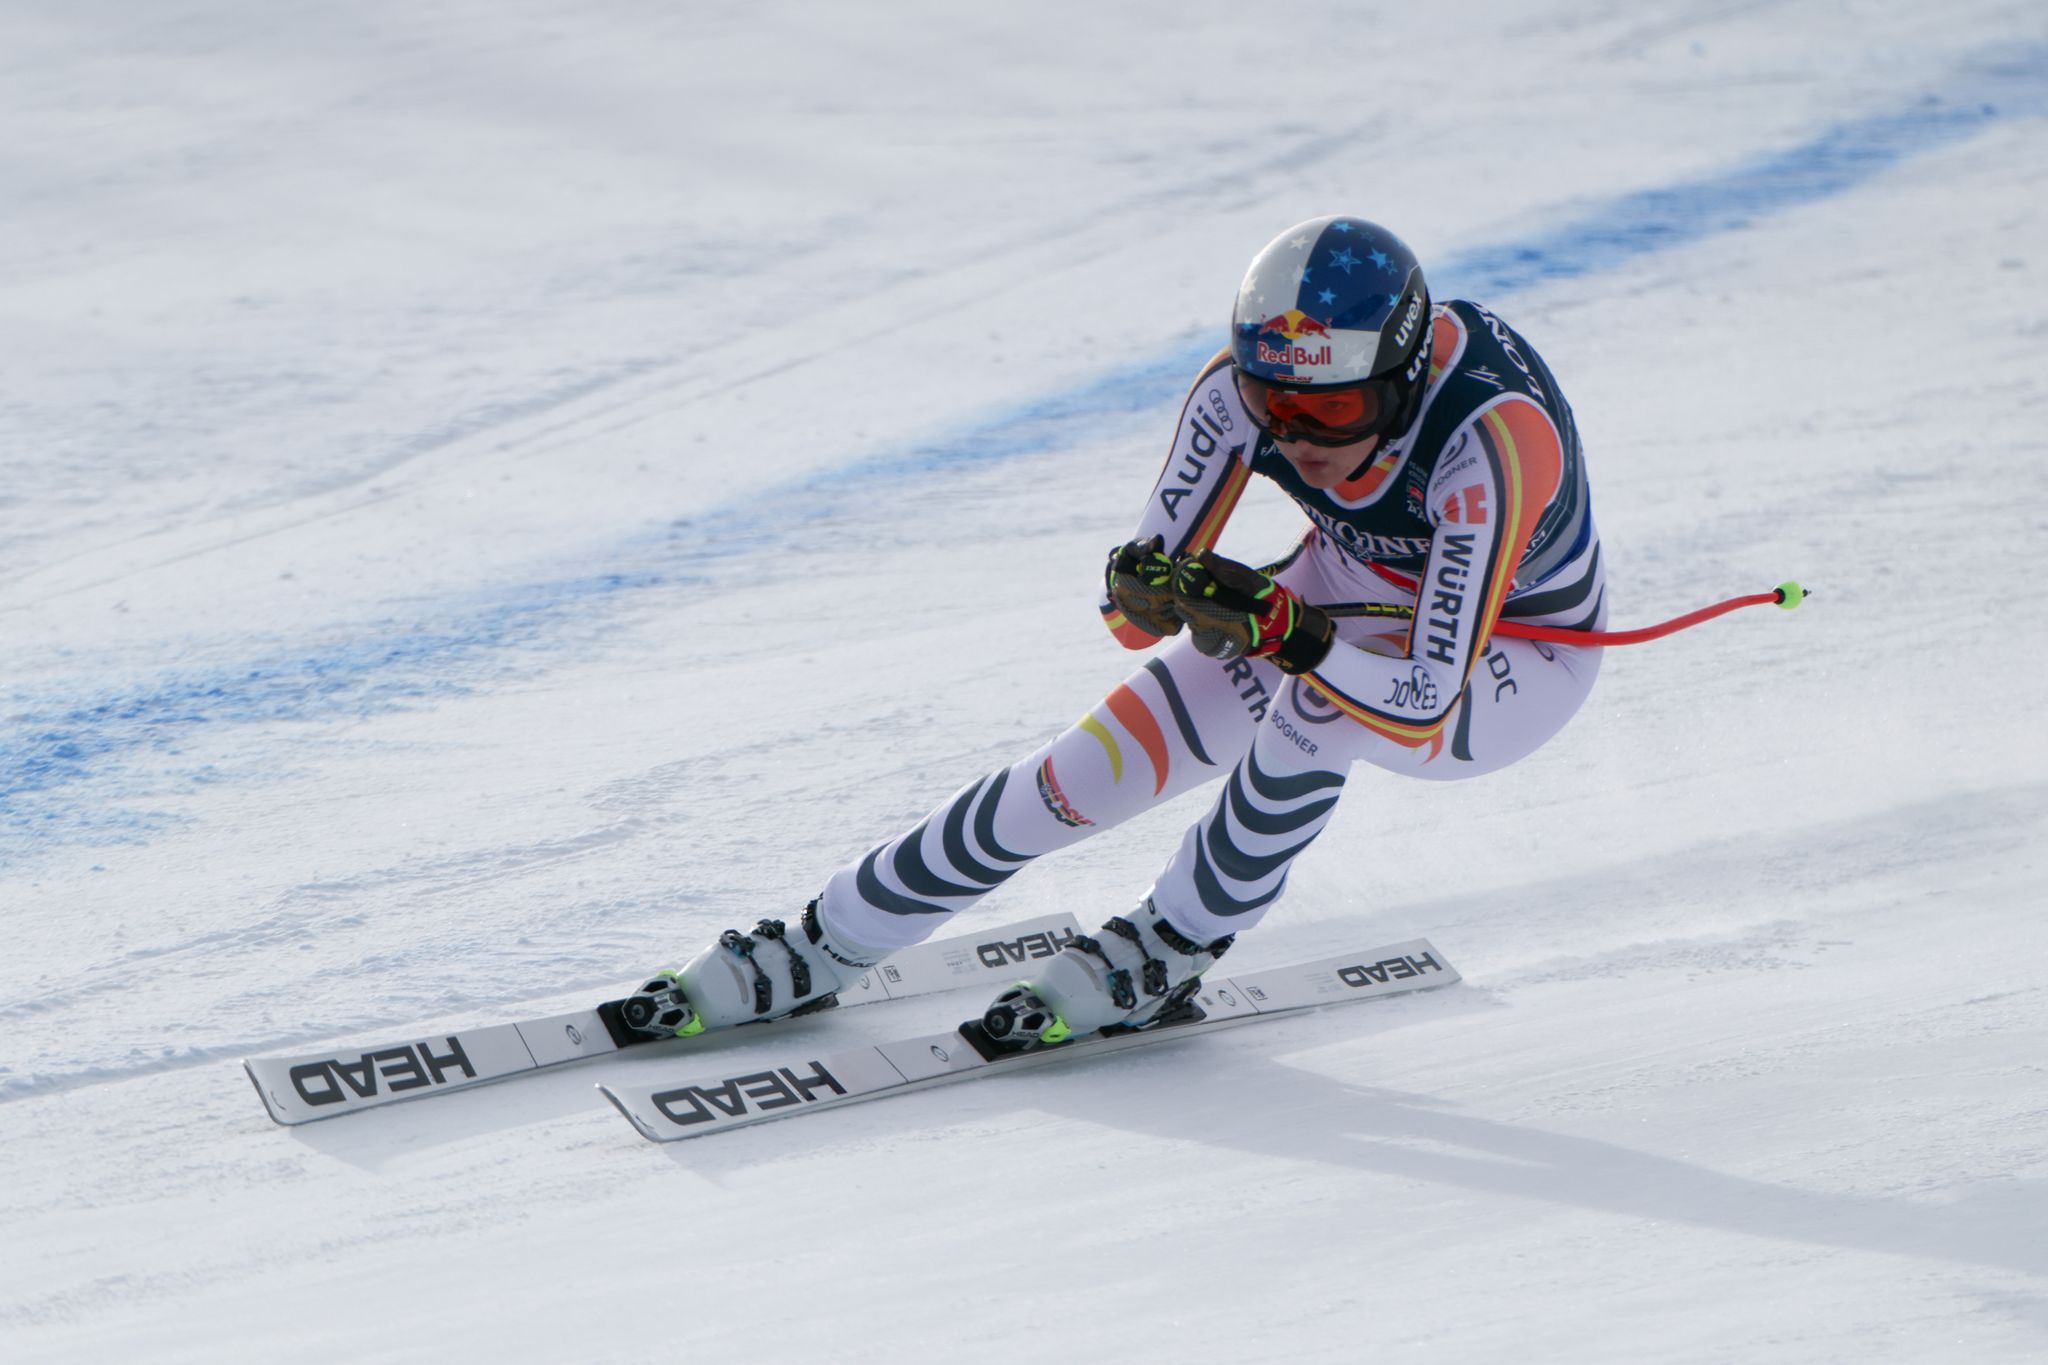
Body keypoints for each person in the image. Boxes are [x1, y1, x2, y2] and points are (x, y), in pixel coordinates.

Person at [626, 214, 1602, 1049]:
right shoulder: (1236, 393)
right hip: (1343, 594)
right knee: (1072, 778)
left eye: (1333, 407)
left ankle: (1174, 941)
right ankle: (827, 938)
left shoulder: (1490, 441)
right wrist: (1153, 590)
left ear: (1394, 384)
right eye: (1276, 405)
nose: (1296, 433)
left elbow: (1429, 690)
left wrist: (1290, 633)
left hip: (1516, 658)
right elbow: (1130, 615)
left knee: (1316, 713)